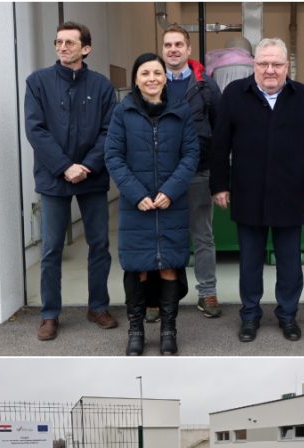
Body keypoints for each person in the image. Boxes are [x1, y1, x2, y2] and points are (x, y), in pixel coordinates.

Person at [210, 37, 304, 343]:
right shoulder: (235, 94)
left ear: (287, 66)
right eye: (263, 64)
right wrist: (220, 184)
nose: (270, 70)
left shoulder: (303, 97)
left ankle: (288, 316)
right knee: (250, 262)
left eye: (277, 64)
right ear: (254, 65)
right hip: (248, 192)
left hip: (290, 192)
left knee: (289, 263)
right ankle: (250, 316)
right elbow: (220, 144)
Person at [24, 21, 118, 341]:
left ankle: (98, 306)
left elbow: (110, 132)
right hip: (54, 179)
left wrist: (87, 166)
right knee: (51, 248)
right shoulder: (38, 82)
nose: (62, 47)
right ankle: (50, 314)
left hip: (92, 178)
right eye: (58, 42)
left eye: (70, 43)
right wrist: (65, 167)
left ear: (85, 49)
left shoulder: (102, 87)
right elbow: (36, 130)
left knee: (99, 245)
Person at [104, 53, 198, 356]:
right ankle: (136, 330)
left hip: (172, 204)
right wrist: (135, 193)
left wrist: (171, 190)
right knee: (139, 269)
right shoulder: (123, 112)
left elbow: (191, 155)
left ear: (165, 78)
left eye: (157, 73)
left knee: (170, 266)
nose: (152, 78)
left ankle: (169, 329)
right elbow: (113, 156)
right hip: (137, 207)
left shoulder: (181, 111)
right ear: (136, 79)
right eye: (145, 73)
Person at [159, 24, 222, 321]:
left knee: (203, 236)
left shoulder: (206, 86)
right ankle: (159, 299)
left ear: (188, 49)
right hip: (162, 177)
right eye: (168, 45)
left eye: (178, 44)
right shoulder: (151, 81)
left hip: (199, 172)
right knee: (163, 236)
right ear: (163, 50)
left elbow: (219, 129)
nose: (173, 49)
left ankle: (207, 292)